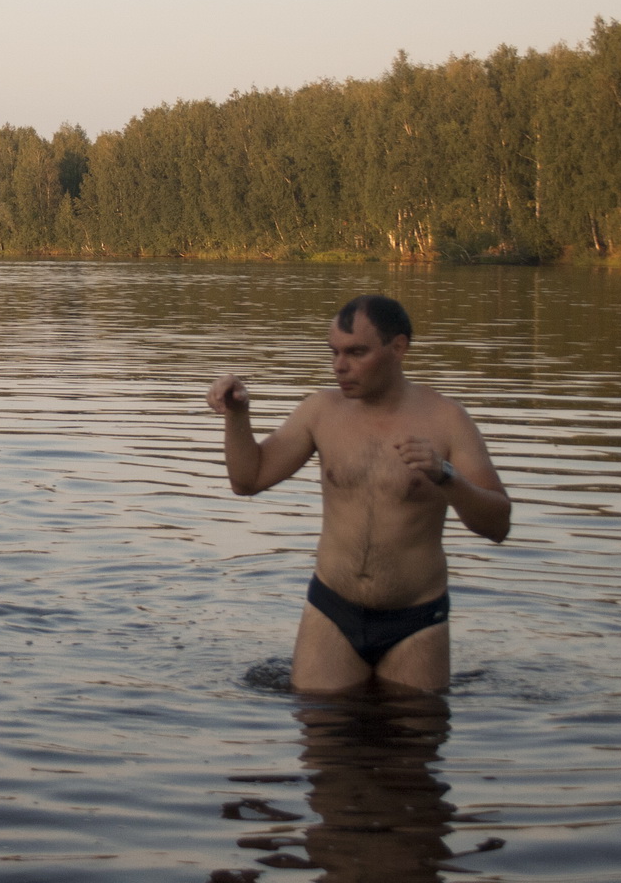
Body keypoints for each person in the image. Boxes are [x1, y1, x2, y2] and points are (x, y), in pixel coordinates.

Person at [207, 294, 509, 693]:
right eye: (334, 352)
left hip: (416, 619)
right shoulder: (321, 411)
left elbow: (498, 525)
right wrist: (237, 417)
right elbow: (248, 480)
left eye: (356, 352)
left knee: (413, 729)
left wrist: (446, 476)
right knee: (319, 726)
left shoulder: (446, 419)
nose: (339, 366)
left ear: (398, 348)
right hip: (332, 610)